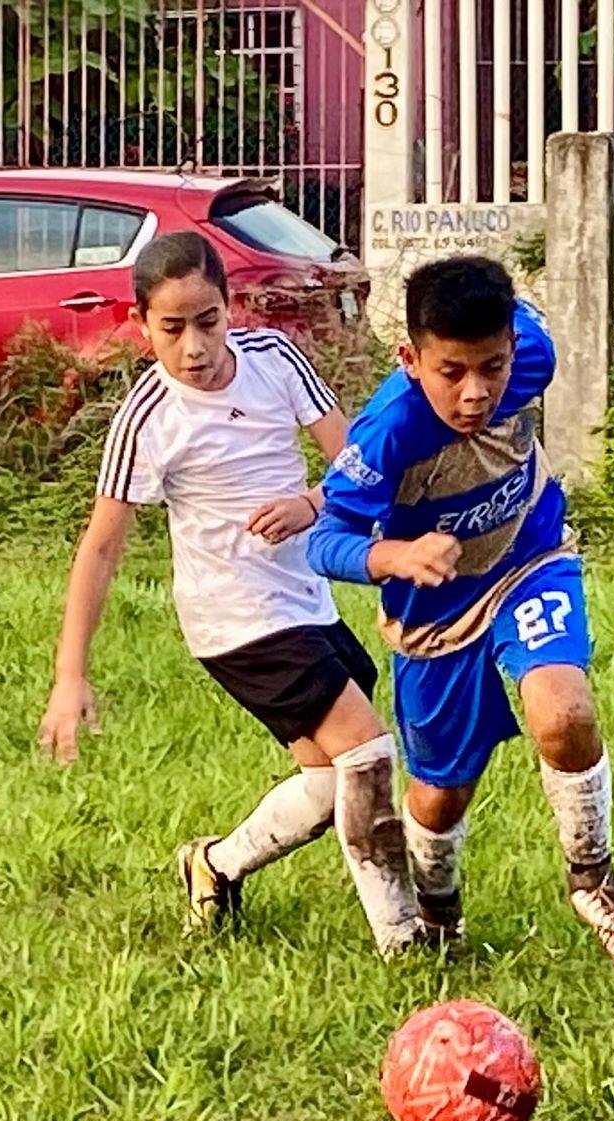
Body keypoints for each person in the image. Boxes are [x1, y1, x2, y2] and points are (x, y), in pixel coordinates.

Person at [36, 231, 421, 957]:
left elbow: (357, 464)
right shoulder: (148, 417)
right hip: (235, 622)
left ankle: (213, 866)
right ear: (141, 324)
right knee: (367, 751)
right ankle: (406, 944)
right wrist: (69, 676)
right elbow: (101, 547)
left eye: (208, 322)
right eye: (172, 329)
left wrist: (317, 505)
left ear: (230, 308)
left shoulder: (276, 360)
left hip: (308, 597)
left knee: (326, 781)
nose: (194, 347)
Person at [306, 255, 614, 963]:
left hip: (528, 558)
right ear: (411, 358)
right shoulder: (388, 433)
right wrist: (395, 558)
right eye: (452, 373)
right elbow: (325, 541)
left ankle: (594, 877)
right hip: (434, 617)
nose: (476, 393)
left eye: (492, 368)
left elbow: (519, 322)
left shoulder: (533, 352)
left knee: (564, 713)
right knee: (440, 795)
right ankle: (440, 908)